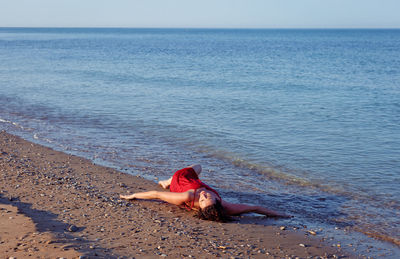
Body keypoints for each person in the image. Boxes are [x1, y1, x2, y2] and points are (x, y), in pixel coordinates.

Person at [120, 164, 290, 222]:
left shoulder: (187, 197)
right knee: (200, 167)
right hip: (196, 182)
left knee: (194, 168)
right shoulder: (225, 206)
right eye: (208, 197)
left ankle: (169, 181)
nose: (203, 196)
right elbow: (255, 208)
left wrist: (133, 195)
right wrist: (281, 215)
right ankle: (168, 181)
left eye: (203, 200)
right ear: (218, 200)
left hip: (182, 181)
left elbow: (156, 195)